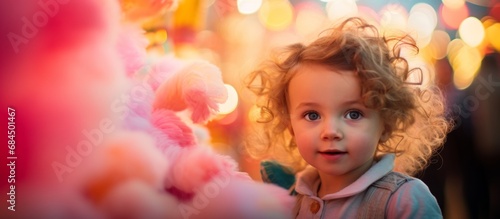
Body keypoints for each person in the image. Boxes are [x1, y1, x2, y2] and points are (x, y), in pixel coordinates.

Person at [245, 17, 450, 218]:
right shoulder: (290, 198)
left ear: (386, 125)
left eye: (353, 114)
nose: (331, 131)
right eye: (312, 115)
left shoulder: (403, 200)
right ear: (290, 126)